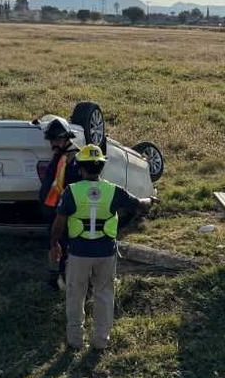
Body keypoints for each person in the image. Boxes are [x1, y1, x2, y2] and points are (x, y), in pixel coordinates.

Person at [49, 144, 151, 350]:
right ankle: (101, 340)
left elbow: (59, 223)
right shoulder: (113, 191)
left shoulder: (72, 191)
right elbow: (140, 204)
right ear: (101, 167)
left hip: (78, 253)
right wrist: (151, 199)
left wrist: (54, 244)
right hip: (105, 252)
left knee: (75, 295)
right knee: (104, 294)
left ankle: (75, 340)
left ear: (80, 168)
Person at [39, 118, 82, 289]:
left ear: (65, 138)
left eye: (56, 140)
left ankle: (63, 281)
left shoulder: (75, 158)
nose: (52, 144)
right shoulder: (59, 156)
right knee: (55, 244)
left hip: (65, 212)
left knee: (64, 247)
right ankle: (55, 278)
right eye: (51, 140)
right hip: (54, 211)